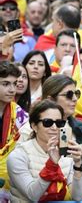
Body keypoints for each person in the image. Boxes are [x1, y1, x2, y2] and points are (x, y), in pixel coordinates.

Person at [18, 75, 82, 197]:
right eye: (68, 95)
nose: (74, 99)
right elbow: (21, 177)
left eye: (76, 93)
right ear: (51, 99)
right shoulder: (29, 129)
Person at [8, 100, 82, 201]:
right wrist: (52, 164)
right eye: (47, 122)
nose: (54, 128)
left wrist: (78, 164)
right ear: (34, 126)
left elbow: (78, 196)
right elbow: (32, 195)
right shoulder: (18, 155)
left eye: (59, 123)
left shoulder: (67, 154)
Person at [0, 62, 29, 199]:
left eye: (14, 83)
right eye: (5, 84)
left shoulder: (19, 114)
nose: (12, 89)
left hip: (9, 182)